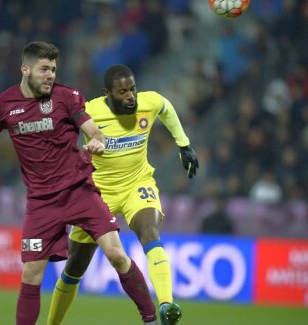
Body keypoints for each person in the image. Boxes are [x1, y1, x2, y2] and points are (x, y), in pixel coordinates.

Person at [0, 42, 157, 325]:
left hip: (79, 192)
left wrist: (97, 140)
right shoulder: (4, 104)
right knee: (31, 274)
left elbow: (94, 130)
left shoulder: (67, 97)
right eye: (44, 69)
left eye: (53, 70)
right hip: (41, 202)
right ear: (25, 69)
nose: (50, 75)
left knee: (117, 254)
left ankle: (150, 319)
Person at [47, 64, 199, 325]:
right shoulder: (90, 111)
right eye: (123, 92)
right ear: (108, 93)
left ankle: (166, 305)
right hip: (96, 193)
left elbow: (165, 107)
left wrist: (184, 145)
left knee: (150, 232)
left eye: (133, 89)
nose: (130, 96)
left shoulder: (147, 103)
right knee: (73, 268)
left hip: (136, 185)